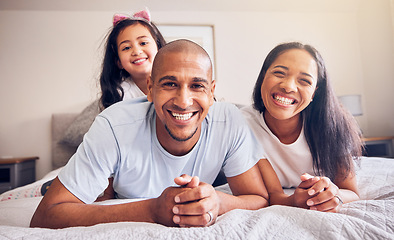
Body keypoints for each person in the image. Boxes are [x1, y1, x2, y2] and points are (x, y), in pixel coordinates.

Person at [30, 39, 268, 229]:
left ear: (212, 91)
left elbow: (257, 198)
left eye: (197, 86)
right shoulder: (113, 126)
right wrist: (153, 210)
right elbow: (46, 215)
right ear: (151, 90)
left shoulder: (230, 119)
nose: (184, 102)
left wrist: (218, 201)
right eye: (170, 84)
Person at [241, 42, 363, 212]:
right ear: (263, 76)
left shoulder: (333, 124)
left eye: (304, 81)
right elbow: (274, 196)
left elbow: (351, 191)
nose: (288, 86)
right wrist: (295, 200)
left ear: (314, 92)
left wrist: (334, 194)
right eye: (279, 73)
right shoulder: (244, 125)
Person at [99, 8, 166, 110]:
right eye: (126, 48)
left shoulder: (175, 82)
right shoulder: (120, 94)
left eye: (143, 43)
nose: (137, 51)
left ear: (159, 48)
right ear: (118, 62)